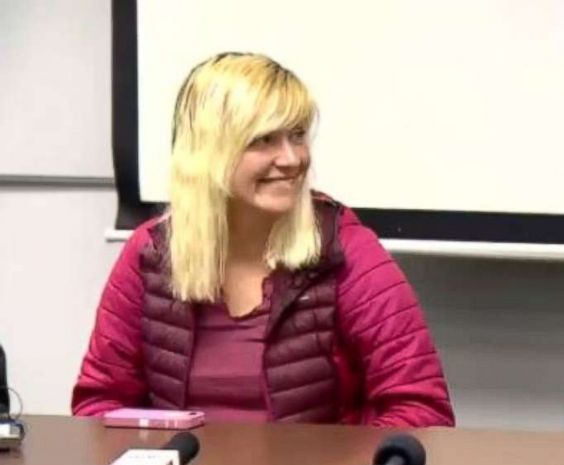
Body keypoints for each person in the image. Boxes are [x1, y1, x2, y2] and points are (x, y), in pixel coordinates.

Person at [72, 52, 454, 427]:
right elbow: (99, 406)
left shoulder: (344, 247)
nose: (291, 159)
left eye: (298, 135)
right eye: (264, 139)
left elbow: (421, 409)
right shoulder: (151, 252)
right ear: (207, 152)